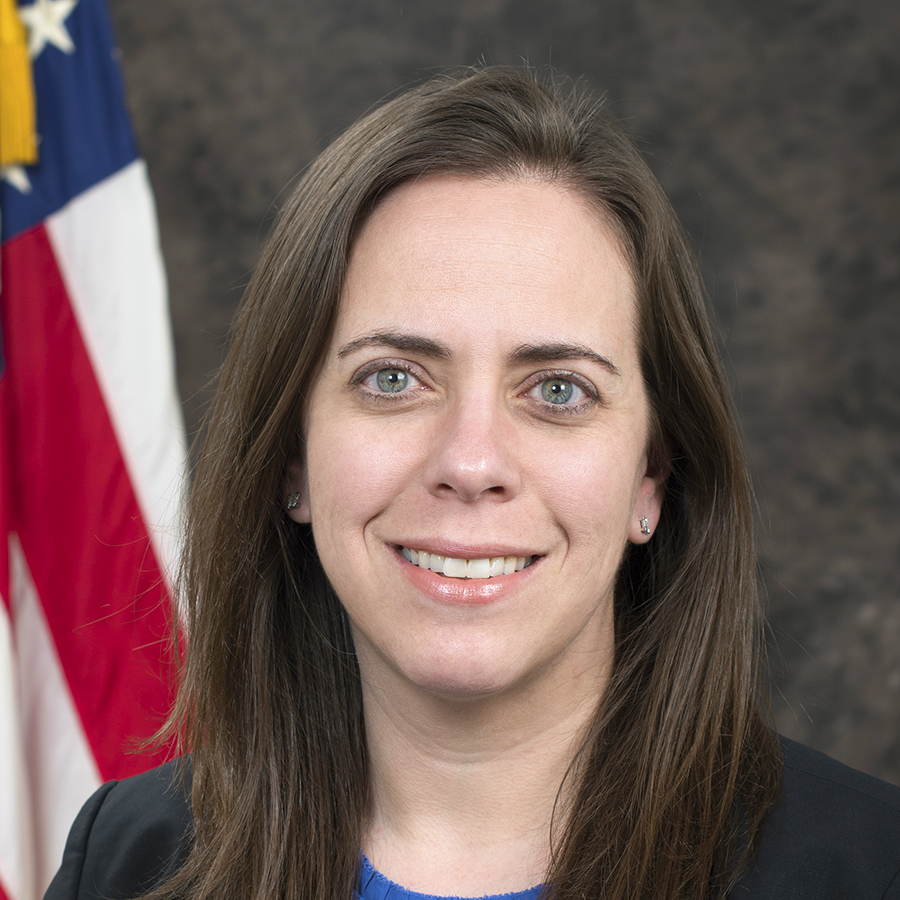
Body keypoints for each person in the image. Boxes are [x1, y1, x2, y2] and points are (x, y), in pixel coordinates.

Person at [45, 67, 900, 900]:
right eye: (392, 379)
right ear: (292, 459)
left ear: (651, 477)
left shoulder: (870, 871)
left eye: (558, 390)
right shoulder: (124, 865)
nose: (471, 463)